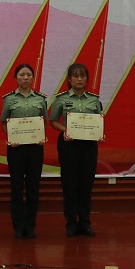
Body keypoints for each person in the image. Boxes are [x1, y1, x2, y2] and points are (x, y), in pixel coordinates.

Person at [49, 63, 105, 237]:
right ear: (69, 79)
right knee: (70, 183)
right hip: (69, 144)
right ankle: (71, 222)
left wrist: (100, 133)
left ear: (87, 79)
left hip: (88, 145)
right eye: (76, 76)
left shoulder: (94, 100)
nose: (79, 79)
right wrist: (65, 130)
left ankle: (85, 222)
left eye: (82, 76)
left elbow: (98, 121)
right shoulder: (61, 99)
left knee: (86, 183)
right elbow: (53, 121)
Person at [0, 63, 48, 238]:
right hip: (16, 149)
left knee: (33, 188)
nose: (25, 78)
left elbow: (43, 121)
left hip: (35, 148)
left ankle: (31, 225)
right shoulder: (9, 99)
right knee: (17, 187)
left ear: (33, 78)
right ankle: (18, 226)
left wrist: (41, 136)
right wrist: (11, 136)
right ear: (15, 78)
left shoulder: (40, 99)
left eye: (28, 75)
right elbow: (4, 121)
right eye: (21, 75)